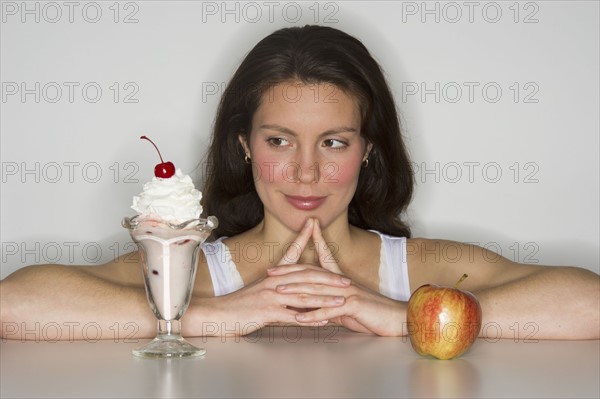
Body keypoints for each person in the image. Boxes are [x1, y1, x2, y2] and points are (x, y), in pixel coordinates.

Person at [1, 25, 598, 341]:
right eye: (279, 141)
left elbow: (589, 306)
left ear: (368, 151)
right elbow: (14, 307)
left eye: (334, 142)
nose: (307, 172)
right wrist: (217, 315)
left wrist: (402, 318)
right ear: (244, 145)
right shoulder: (190, 273)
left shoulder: (424, 269)